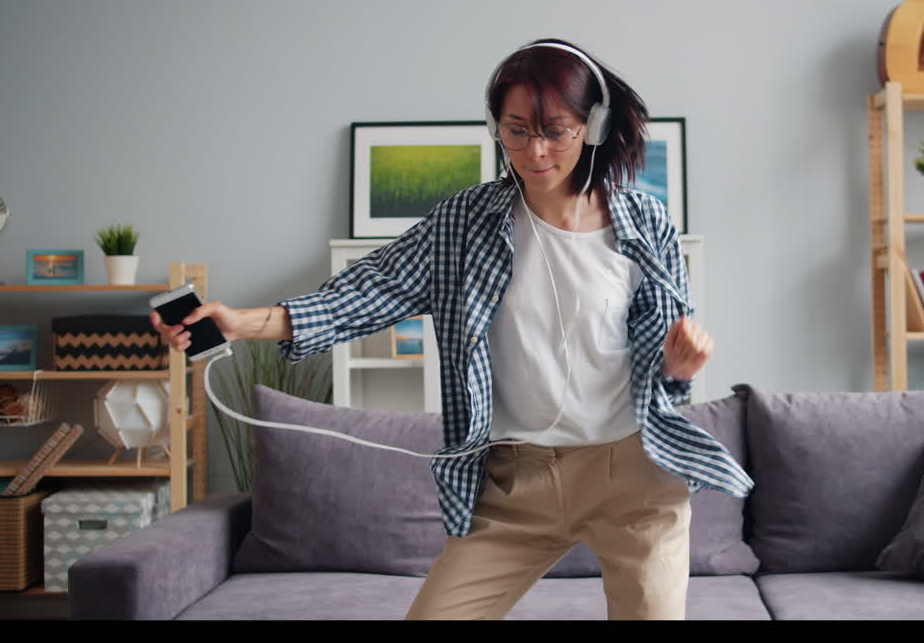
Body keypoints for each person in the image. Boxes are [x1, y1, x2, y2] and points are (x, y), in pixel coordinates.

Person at [149, 38, 754, 620]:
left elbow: (665, 378)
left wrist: (677, 367)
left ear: (590, 126)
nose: (534, 152)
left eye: (554, 131)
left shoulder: (645, 223)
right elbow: (364, 292)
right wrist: (241, 322)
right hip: (519, 482)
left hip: (634, 476)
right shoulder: (466, 223)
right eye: (516, 131)